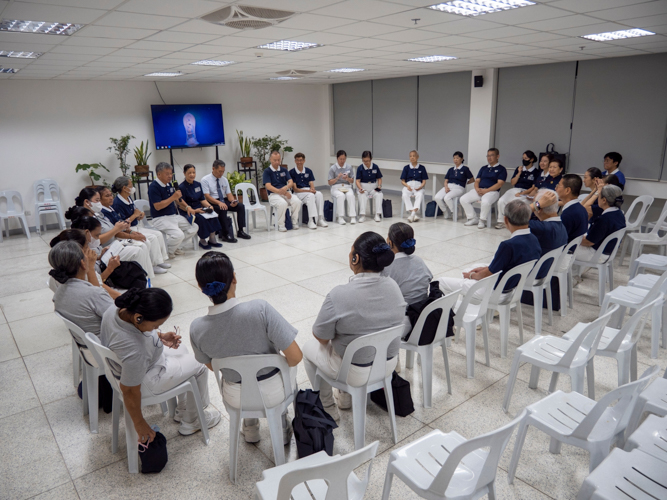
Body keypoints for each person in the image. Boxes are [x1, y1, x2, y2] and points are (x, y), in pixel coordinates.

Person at [189, 252, 302, 444]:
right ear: (234, 277)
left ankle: (250, 427)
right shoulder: (260, 309)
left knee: (240, 376)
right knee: (286, 368)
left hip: (236, 397)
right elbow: (295, 357)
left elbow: (212, 366)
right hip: (273, 392)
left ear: (200, 287)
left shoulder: (197, 328)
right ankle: (282, 427)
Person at [302, 232, 406, 420]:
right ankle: (345, 397)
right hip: (387, 366)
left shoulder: (339, 294)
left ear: (355, 258)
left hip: (353, 372)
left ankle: (328, 407)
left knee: (309, 349)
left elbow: (321, 336)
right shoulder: (393, 287)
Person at [100, 288, 221, 443]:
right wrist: (139, 423)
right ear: (139, 318)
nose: (157, 329)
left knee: (183, 351)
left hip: (130, 366)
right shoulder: (136, 350)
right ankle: (192, 420)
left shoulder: (117, 309)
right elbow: (129, 390)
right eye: (156, 325)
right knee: (200, 365)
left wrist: (160, 336)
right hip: (146, 380)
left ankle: (183, 410)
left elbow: (137, 335)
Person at [439, 200, 541, 299]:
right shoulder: (534, 239)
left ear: (505, 220)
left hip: (495, 291)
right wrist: (484, 269)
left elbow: (489, 274)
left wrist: (472, 276)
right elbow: (501, 267)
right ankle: (472, 304)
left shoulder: (508, 245)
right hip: (513, 288)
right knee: (473, 268)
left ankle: (452, 314)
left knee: (441, 282)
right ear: (528, 217)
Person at [74, 188, 153, 278]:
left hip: (110, 246)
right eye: (97, 200)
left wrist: (128, 230)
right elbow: (95, 240)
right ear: (87, 202)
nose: (99, 203)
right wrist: (119, 230)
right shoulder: (85, 219)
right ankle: (143, 279)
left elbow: (112, 227)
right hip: (102, 250)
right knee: (137, 251)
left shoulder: (98, 214)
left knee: (142, 244)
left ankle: (147, 277)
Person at [49, 241, 115, 336]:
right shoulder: (94, 294)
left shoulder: (58, 292)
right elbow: (119, 320)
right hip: (106, 342)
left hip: (86, 340)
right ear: (83, 263)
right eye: (85, 253)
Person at [98, 186, 166, 277]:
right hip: (116, 239)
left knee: (149, 238)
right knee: (143, 243)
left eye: (111, 195)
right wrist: (132, 235)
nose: (111, 198)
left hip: (126, 231)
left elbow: (121, 224)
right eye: (107, 196)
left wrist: (131, 232)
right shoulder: (107, 210)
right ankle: (146, 273)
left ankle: (154, 265)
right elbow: (116, 231)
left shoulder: (111, 208)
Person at [111, 176, 170, 269]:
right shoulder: (117, 203)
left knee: (158, 234)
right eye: (131, 185)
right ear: (124, 188)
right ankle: (153, 265)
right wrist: (134, 215)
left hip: (137, 226)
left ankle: (159, 260)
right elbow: (122, 224)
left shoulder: (128, 198)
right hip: (129, 230)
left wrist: (140, 215)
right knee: (152, 238)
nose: (132, 187)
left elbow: (135, 211)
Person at [49, 227, 121, 298]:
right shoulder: (82, 271)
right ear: (78, 250)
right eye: (87, 246)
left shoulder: (55, 276)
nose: (90, 249)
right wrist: (92, 268)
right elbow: (98, 295)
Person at [148, 162, 199, 258]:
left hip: (173, 216)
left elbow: (178, 199)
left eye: (171, 173)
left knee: (194, 227)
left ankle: (176, 247)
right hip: (160, 218)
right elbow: (157, 206)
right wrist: (173, 197)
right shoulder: (154, 187)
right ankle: (167, 251)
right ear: (159, 174)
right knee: (178, 235)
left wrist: (187, 207)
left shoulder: (169, 184)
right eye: (167, 174)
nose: (170, 176)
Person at [574, 185, 626, 267]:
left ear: (604, 200)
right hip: (608, 252)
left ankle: (566, 276)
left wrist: (572, 239)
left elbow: (589, 242)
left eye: (598, 196)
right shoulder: (619, 213)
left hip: (598, 254)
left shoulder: (605, 219)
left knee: (563, 249)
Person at [382, 222, 432, 306]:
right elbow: (428, 278)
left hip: (402, 313)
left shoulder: (387, 267)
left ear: (390, 243)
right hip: (423, 309)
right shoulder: (419, 261)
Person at [201, 160, 251, 243]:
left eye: (223, 171)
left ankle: (241, 231)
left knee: (241, 206)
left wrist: (233, 201)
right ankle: (225, 234)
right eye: (220, 171)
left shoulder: (224, 180)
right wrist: (219, 203)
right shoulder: (205, 180)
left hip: (223, 200)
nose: (221, 173)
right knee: (223, 208)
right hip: (213, 202)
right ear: (213, 169)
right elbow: (207, 196)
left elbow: (229, 194)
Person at [178, 165, 223, 249]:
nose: (192, 175)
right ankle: (202, 241)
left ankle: (212, 239)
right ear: (184, 173)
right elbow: (181, 205)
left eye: (193, 172)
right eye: (189, 173)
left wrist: (209, 206)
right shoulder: (182, 187)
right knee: (201, 219)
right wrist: (195, 210)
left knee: (213, 215)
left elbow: (202, 199)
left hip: (200, 208)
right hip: (188, 211)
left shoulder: (198, 184)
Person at [460, 148, 507, 229]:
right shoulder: (483, 168)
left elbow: (499, 184)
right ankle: (473, 218)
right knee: (463, 199)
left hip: (492, 192)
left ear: (497, 156)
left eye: (492, 155)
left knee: (485, 202)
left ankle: (482, 220)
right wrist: (477, 189)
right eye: (488, 156)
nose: (489, 157)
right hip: (480, 190)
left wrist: (486, 191)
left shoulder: (501, 169)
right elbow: (477, 181)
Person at [528, 190, 568, 279]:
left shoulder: (541, 228)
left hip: (532, 273)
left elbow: (512, 216)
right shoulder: (562, 226)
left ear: (539, 209)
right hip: (545, 271)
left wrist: (536, 205)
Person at [495, 150, 538, 229]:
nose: (524, 160)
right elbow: (512, 182)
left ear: (531, 159)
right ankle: (501, 221)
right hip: (515, 189)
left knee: (513, 203)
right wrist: (519, 173)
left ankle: (512, 221)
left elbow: (533, 187)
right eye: (523, 158)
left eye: (526, 158)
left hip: (526, 192)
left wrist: (523, 193)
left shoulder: (536, 172)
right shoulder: (519, 169)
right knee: (502, 200)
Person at [264, 151, 302, 232]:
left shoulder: (284, 170)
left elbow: (291, 182)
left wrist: (286, 187)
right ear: (270, 159)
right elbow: (268, 186)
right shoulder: (267, 171)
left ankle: (294, 222)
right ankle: (280, 224)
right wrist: (282, 192)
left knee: (297, 201)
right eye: (275, 160)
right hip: (273, 195)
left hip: (286, 192)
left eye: (278, 160)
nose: (277, 162)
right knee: (282, 203)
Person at [289, 152, 328, 229]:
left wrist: (312, 189)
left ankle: (320, 219)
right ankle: (310, 221)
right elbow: (295, 189)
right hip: (298, 193)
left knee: (319, 194)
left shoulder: (308, 171)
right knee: (310, 196)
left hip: (308, 191)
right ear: (295, 161)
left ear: (304, 161)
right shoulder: (291, 172)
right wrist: (309, 192)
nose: (299, 162)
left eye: (301, 160)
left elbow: (311, 184)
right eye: (297, 160)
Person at [434, 151, 473, 219]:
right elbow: (446, 180)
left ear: (462, 158)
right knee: (437, 197)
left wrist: (465, 183)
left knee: (447, 198)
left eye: (457, 158)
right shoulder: (451, 169)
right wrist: (446, 187)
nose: (455, 160)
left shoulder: (465, 169)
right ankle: (446, 211)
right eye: (454, 158)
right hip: (449, 186)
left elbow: (472, 179)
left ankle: (454, 211)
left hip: (458, 188)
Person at [556, 174, 589, 243]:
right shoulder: (580, 208)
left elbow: (558, 240)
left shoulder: (569, 214)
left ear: (567, 190)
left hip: (567, 251)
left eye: (558, 185)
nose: (556, 188)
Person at [328, 150, 356, 225]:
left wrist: (347, 179)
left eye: (344, 159)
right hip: (336, 187)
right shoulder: (333, 168)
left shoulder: (349, 167)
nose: (342, 161)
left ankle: (352, 216)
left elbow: (352, 180)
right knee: (341, 196)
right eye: (340, 159)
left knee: (350, 195)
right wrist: (337, 178)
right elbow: (329, 182)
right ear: (337, 159)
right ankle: (340, 217)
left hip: (347, 186)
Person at [400, 150, 429, 223]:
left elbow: (424, 181)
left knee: (419, 194)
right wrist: (407, 186)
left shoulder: (422, 168)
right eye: (410, 156)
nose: (412, 158)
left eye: (414, 156)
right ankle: (414, 214)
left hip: (418, 186)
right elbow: (402, 181)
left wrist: (420, 187)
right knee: (404, 195)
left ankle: (412, 215)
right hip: (408, 185)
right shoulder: (406, 168)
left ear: (417, 157)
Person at [355, 151, 383, 223]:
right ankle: (362, 216)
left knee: (379, 195)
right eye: (364, 161)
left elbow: (379, 178)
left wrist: (379, 186)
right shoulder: (360, 168)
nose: (366, 162)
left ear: (371, 159)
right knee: (362, 195)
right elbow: (357, 181)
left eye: (367, 161)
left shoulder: (375, 167)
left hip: (374, 187)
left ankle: (377, 214)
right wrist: (360, 188)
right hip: (363, 186)